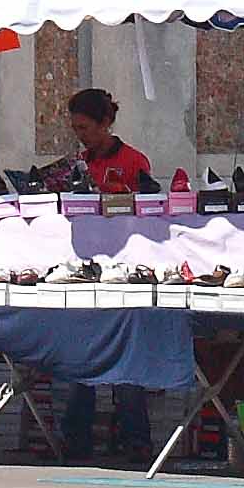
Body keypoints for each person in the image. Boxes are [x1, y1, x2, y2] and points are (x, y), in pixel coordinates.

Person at [54, 88, 152, 461]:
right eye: (76, 128)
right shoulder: (76, 163)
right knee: (84, 357)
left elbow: (148, 206)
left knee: (125, 360)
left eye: (86, 128)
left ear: (105, 123)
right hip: (83, 272)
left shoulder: (133, 160)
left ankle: (135, 441)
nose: (81, 135)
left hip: (124, 270)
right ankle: (75, 440)